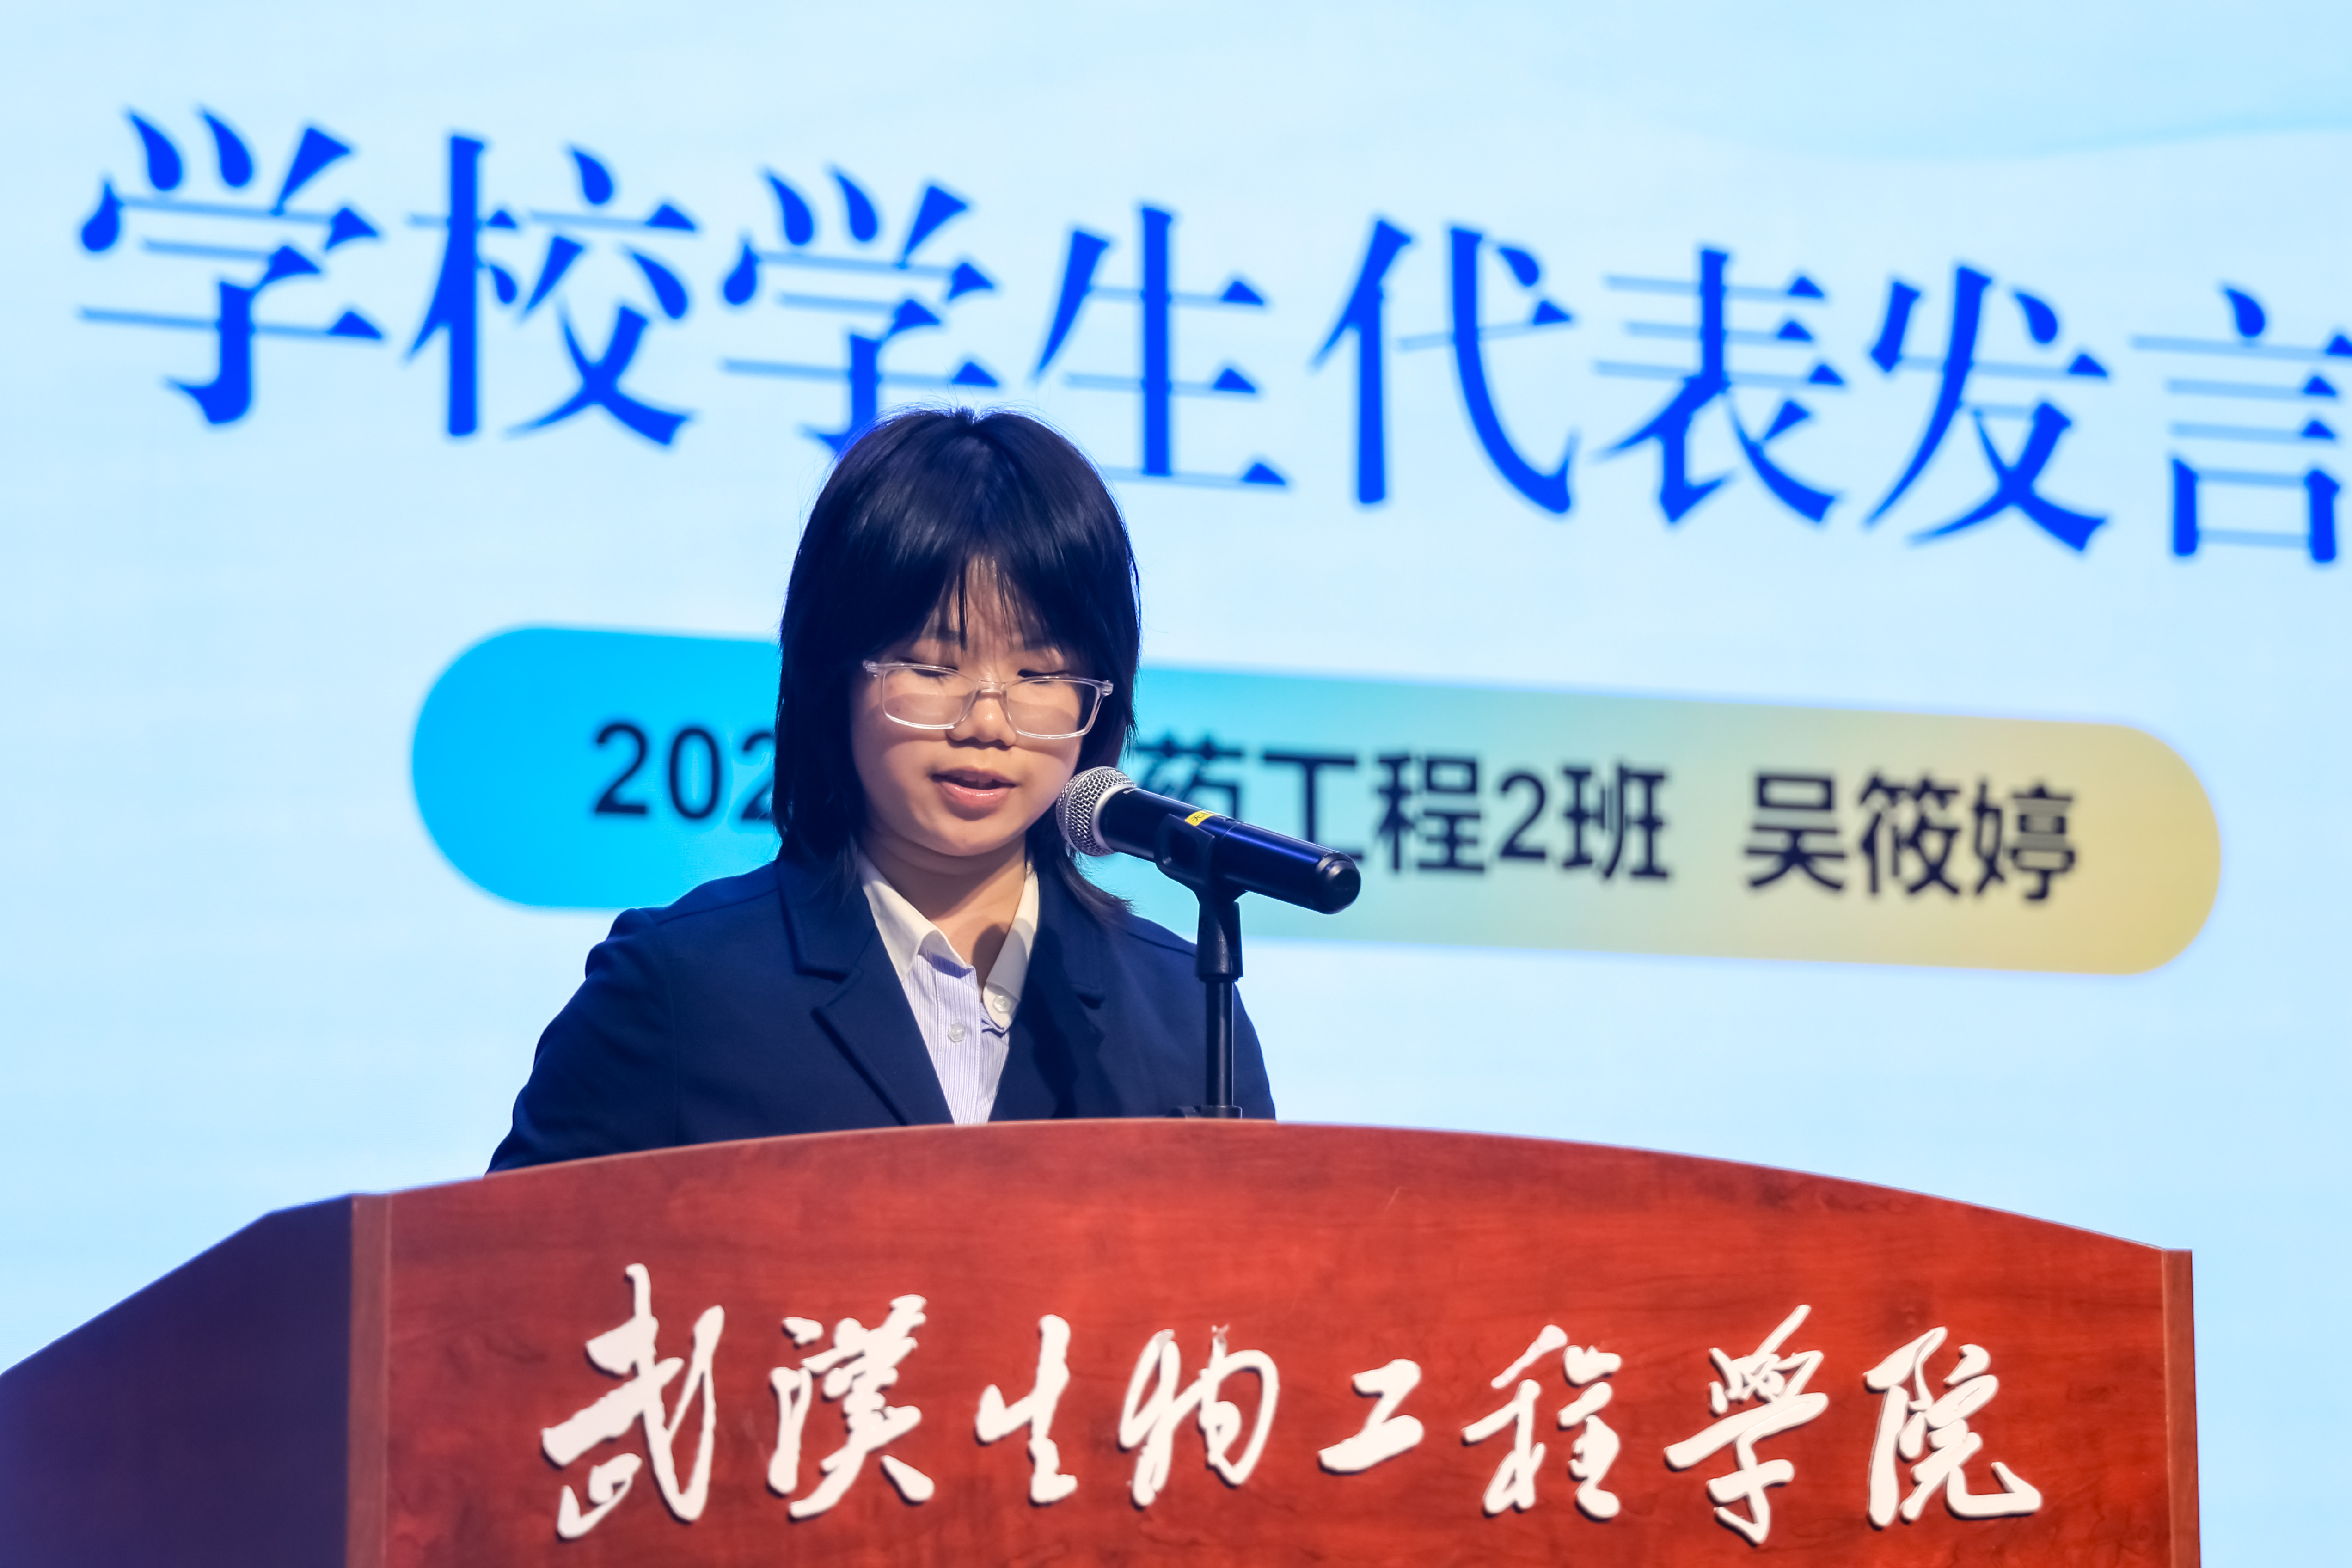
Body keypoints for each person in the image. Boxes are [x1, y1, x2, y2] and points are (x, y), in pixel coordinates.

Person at [489, 409, 1274, 1170]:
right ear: (833, 676)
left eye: (1040, 674)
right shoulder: (678, 988)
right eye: (933, 667)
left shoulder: (1185, 1012)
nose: (987, 723)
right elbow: (506, 1255)